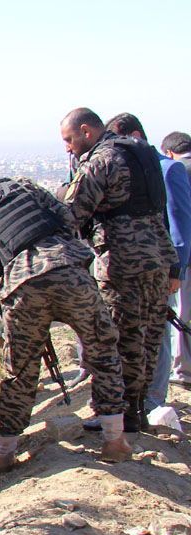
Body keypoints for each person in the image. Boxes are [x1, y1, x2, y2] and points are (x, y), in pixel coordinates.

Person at [0, 158, 131, 470]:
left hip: (23, 286)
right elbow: (67, 217)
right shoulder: (21, 184)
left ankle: (4, 453)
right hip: (71, 271)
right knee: (102, 351)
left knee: (20, 371)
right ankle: (114, 439)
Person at [59, 108, 178, 432]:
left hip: (122, 263)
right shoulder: (143, 154)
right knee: (148, 340)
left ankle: (115, 414)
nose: (68, 148)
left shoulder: (101, 159)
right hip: (157, 258)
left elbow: (72, 213)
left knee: (117, 340)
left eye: (69, 140)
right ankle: (137, 412)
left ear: (86, 131)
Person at [105, 115, 191, 411]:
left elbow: (179, 225)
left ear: (136, 136)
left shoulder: (168, 168)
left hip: (165, 266)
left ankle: (155, 398)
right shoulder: (132, 171)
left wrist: (176, 269)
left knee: (162, 332)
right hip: (138, 267)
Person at [163, 131, 191, 388]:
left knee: (182, 311)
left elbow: (177, 217)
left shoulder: (175, 169)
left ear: (169, 152)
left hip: (186, 255)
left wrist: (177, 265)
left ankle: (183, 371)